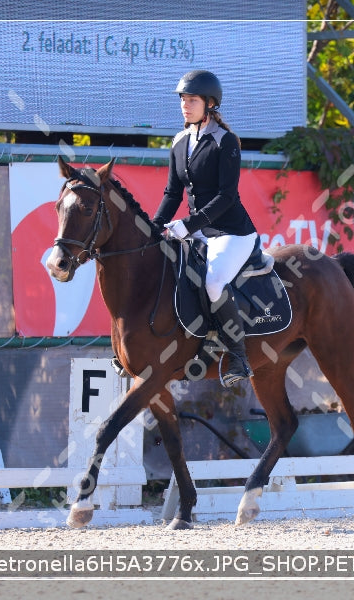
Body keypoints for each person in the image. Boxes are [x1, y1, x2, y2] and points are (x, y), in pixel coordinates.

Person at [152, 69, 258, 387]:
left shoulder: (226, 143)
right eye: (183, 99)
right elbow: (173, 193)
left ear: (210, 103)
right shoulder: (180, 141)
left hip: (232, 233)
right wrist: (154, 226)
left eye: (192, 99)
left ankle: (239, 356)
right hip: (198, 231)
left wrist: (188, 225)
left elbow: (227, 197)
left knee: (213, 283)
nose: (185, 105)